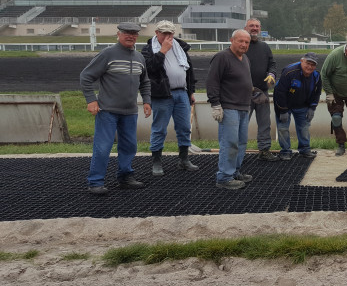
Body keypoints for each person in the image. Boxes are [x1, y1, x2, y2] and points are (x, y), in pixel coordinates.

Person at [80, 22, 152, 195]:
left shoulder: (139, 57)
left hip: (130, 112)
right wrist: (91, 100)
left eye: (134, 33)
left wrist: (147, 101)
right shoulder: (107, 54)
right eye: (127, 33)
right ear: (118, 34)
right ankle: (95, 181)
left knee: (129, 146)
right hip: (107, 111)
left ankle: (125, 177)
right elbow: (86, 77)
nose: (131, 36)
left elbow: (145, 82)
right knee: (103, 147)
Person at [141, 20, 198, 176]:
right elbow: (150, 69)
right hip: (162, 94)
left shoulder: (181, 47)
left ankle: (184, 160)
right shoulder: (148, 50)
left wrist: (191, 91)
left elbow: (189, 71)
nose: (167, 36)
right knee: (159, 129)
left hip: (182, 92)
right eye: (164, 33)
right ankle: (157, 162)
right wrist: (162, 52)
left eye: (170, 33)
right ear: (156, 33)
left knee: (185, 128)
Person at [207, 29, 254, 190]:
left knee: (241, 142)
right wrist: (215, 104)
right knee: (230, 142)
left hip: (243, 106)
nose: (243, 44)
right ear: (232, 40)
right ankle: (224, 177)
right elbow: (212, 82)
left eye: (246, 42)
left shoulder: (245, 58)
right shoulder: (222, 57)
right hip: (228, 107)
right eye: (240, 41)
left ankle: (235, 171)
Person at [273, 52, 323, 160]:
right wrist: (282, 110)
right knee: (282, 128)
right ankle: (285, 151)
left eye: (313, 65)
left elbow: (317, 93)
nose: (310, 67)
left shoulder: (316, 76)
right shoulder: (289, 72)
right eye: (307, 63)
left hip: (302, 105)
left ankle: (305, 149)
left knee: (304, 127)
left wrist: (312, 108)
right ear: (302, 61)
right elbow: (280, 92)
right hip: (284, 103)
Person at [243, 18, 277, 161]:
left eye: (257, 26)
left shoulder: (264, 47)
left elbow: (272, 64)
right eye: (252, 26)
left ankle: (264, 150)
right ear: (246, 27)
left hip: (262, 91)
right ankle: (238, 151)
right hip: (244, 93)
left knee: (264, 123)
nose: (254, 28)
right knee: (242, 123)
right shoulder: (242, 45)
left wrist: (271, 74)